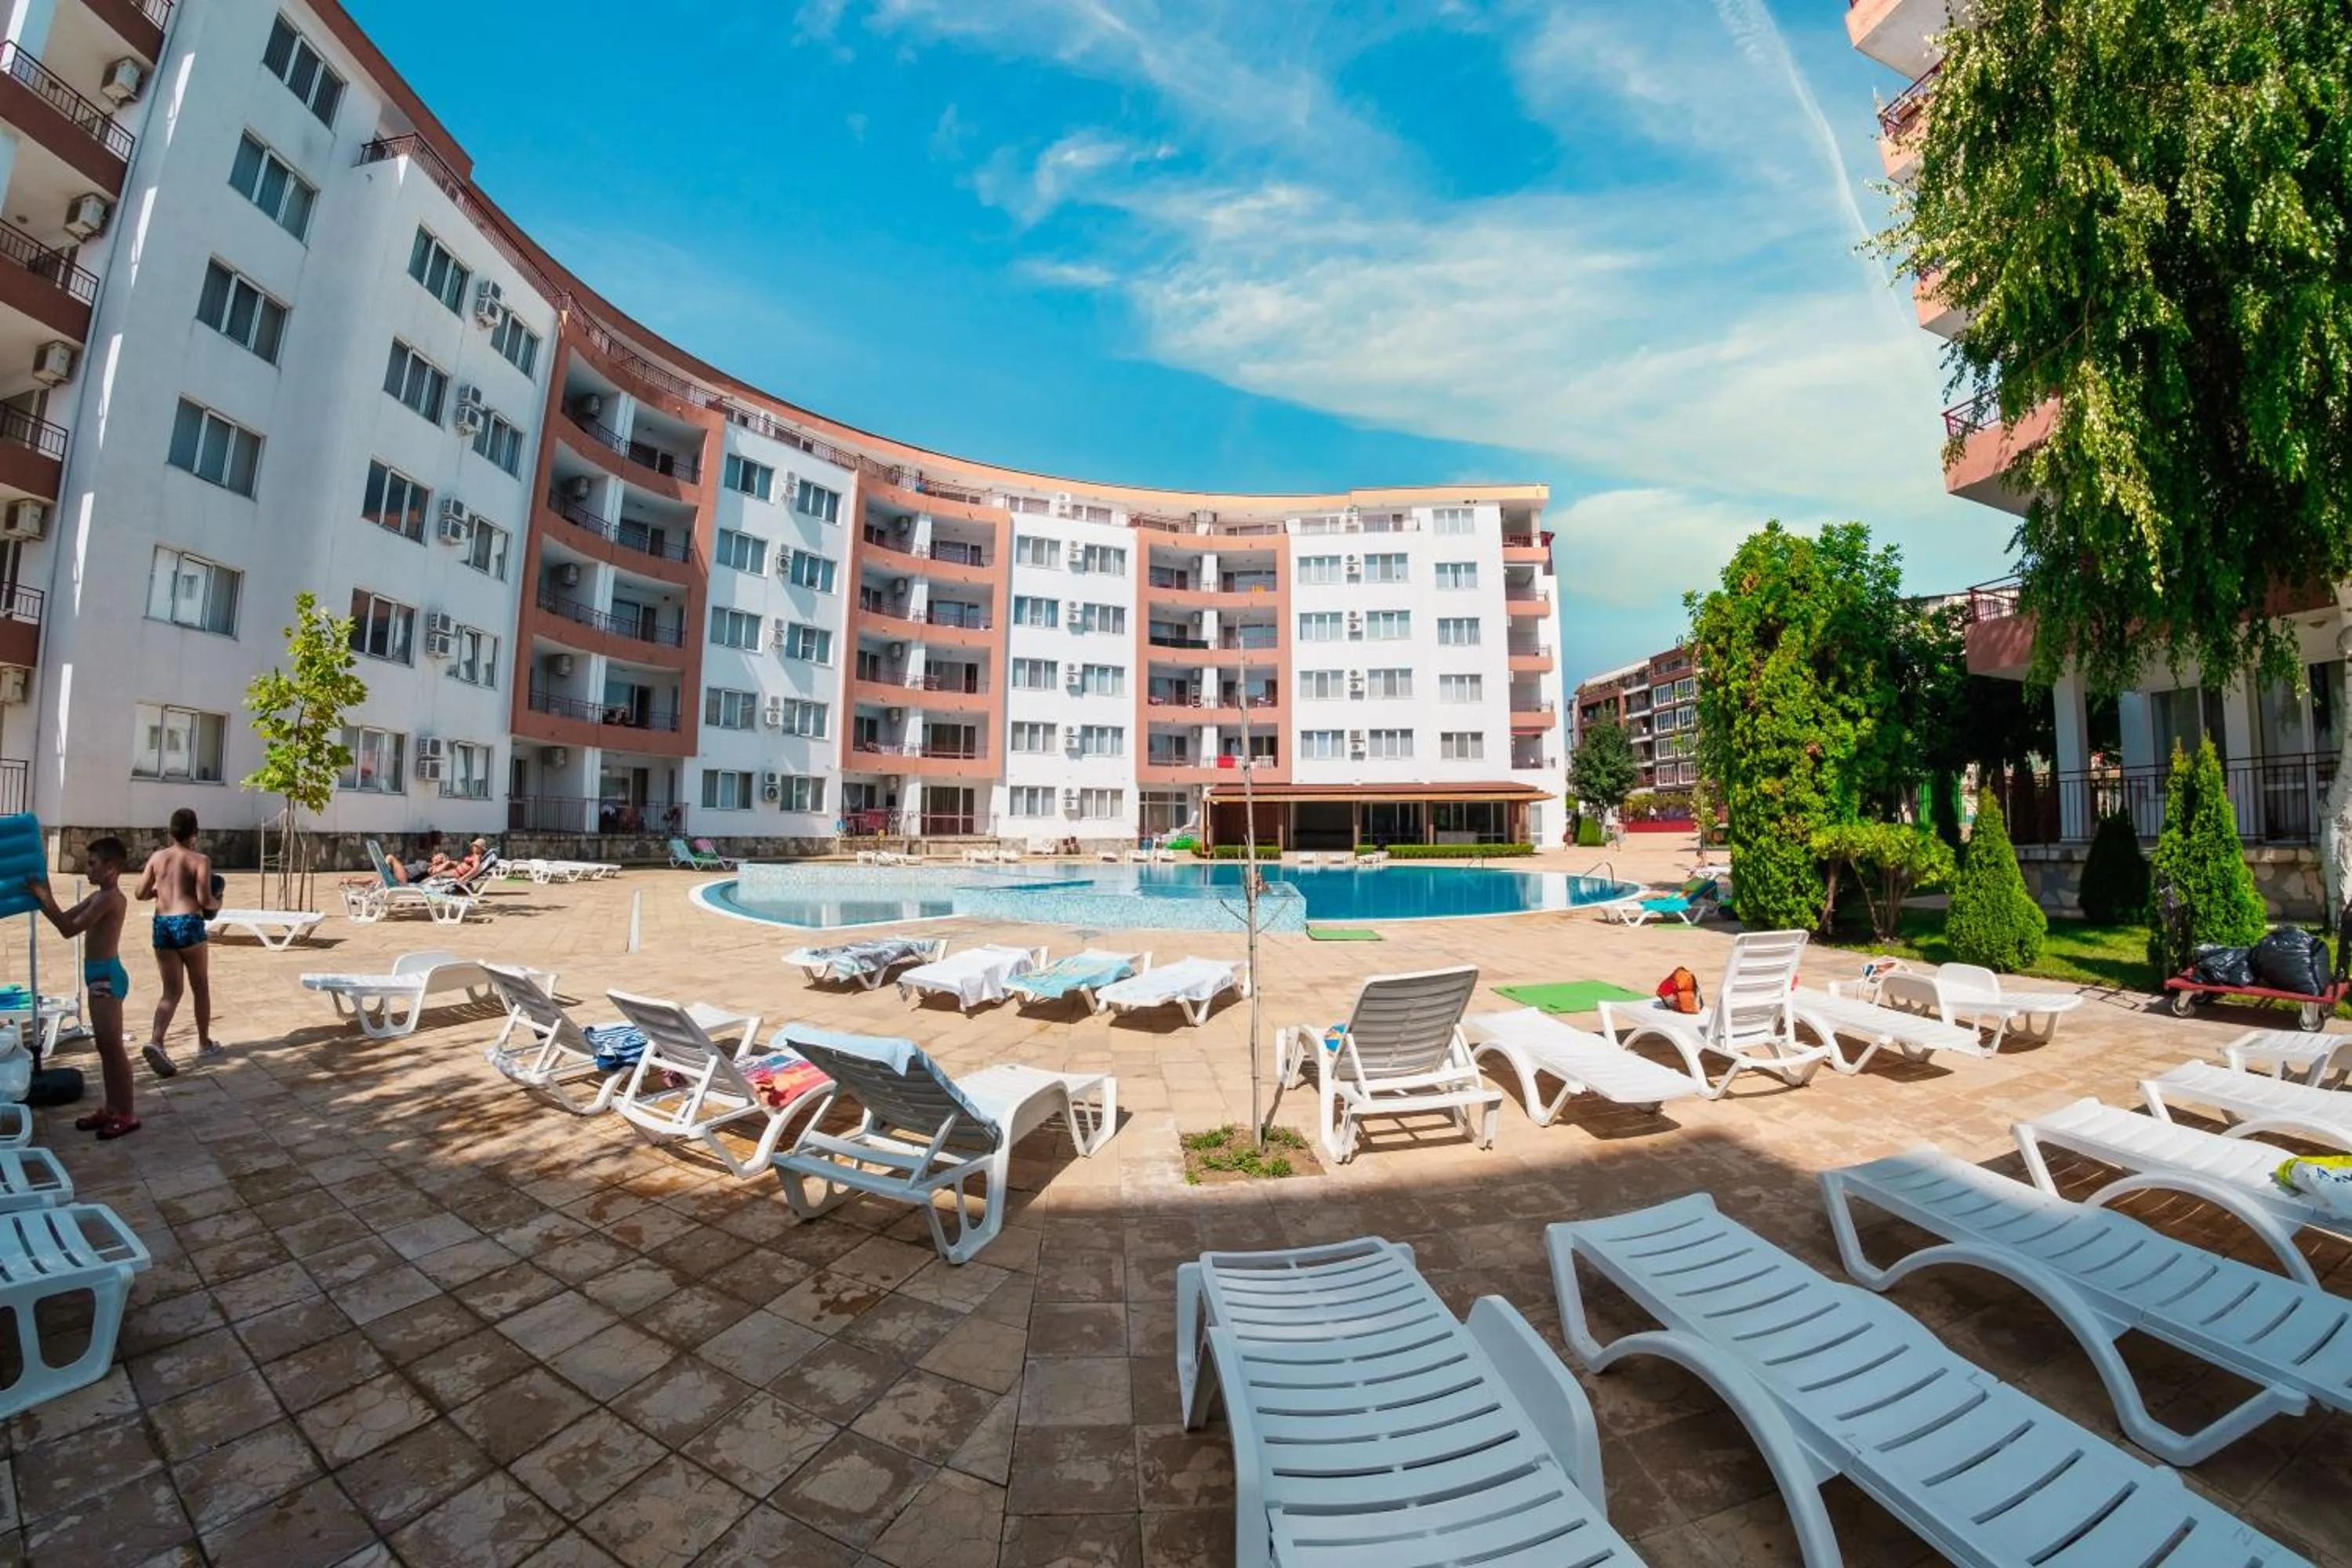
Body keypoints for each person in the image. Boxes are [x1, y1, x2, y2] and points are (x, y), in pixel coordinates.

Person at [26, 837, 136, 1138]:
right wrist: (43, 898)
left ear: (111, 868)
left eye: (93, 864)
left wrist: (45, 897)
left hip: (106, 978)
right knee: (104, 1046)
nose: (87, 870)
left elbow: (68, 930)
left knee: (113, 1048)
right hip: (99, 976)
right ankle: (112, 1108)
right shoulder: (98, 896)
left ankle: (126, 1113)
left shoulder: (109, 900)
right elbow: (65, 918)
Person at [136, 808, 220, 1076]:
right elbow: (205, 900)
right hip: (189, 924)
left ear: (170, 832)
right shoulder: (200, 860)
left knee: (171, 991)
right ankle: (204, 1043)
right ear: (195, 834)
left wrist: (159, 890)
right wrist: (219, 902)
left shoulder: (157, 858)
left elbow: (139, 893)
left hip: (162, 925)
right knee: (200, 987)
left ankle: (157, 1040)